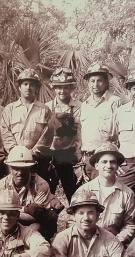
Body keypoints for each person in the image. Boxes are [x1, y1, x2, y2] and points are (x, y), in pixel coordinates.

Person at [70, 142, 135, 247]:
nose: (108, 166)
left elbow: (131, 225)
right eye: (104, 162)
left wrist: (114, 243)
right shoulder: (83, 191)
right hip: (85, 245)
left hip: (115, 245)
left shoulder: (127, 194)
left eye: (112, 162)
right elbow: (72, 221)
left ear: (117, 166)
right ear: (96, 165)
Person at [0, 145, 63, 242]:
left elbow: (37, 215)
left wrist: (11, 213)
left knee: (36, 228)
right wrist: (25, 211)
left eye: (24, 168)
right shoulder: (1, 185)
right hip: (8, 222)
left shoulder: (41, 185)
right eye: (16, 168)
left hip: (32, 224)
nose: (20, 172)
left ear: (30, 167)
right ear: (10, 168)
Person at [0, 68, 53, 182]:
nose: (28, 87)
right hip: (14, 162)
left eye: (31, 84)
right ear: (19, 87)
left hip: (38, 161)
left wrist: (31, 154)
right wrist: (17, 153)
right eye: (25, 84)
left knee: (38, 192)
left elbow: (47, 136)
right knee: (14, 194)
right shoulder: (9, 109)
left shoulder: (45, 110)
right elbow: (5, 133)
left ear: (36, 88)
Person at [79, 63, 122, 180]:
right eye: (92, 81)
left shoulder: (114, 102)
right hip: (87, 159)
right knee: (90, 196)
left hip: (106, 158)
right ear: (88, 83)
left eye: (99, 81)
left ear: (106, 82)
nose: (95, 85)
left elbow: (121, 133)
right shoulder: (85, 105)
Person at [45, 67, 82, 201]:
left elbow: (79, 133)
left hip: (70, 155)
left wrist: (79, 154)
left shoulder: (79, 106)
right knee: (48, 194)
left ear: (72, 87)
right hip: (51, 155)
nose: (62, 91)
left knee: (74, 195)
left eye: (66, 87)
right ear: (53, 88)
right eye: (59, 87)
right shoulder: (46, 107)